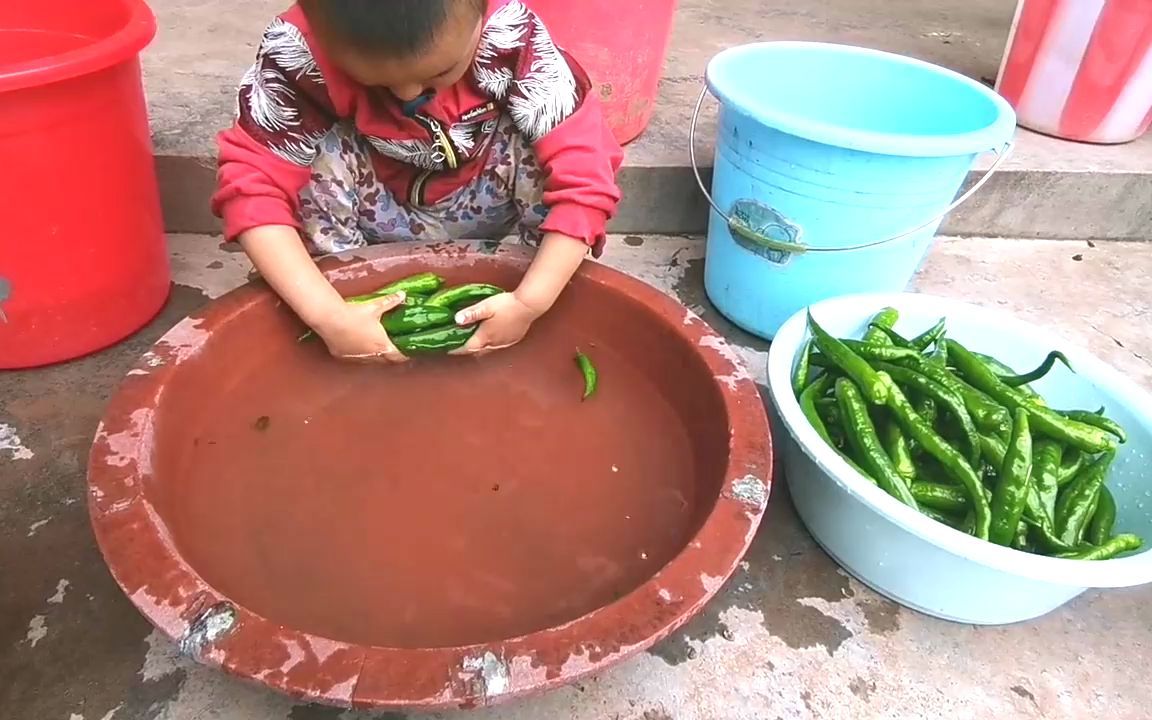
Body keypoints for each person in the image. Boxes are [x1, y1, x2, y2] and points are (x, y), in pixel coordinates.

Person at [213, 0, 623, 362]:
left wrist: (530, 302)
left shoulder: (512, 36)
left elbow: (586, 177)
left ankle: (527, 274)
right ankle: (345, 287)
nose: (409, 93)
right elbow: (252, 186)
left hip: (485, 196)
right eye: (374, 81)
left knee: (541, 140)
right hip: (372, 211)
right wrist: (327, 315)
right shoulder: (298, 54)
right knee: (307, 149)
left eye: (440, 71)